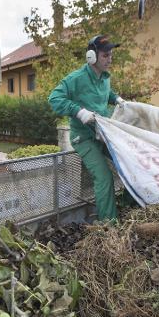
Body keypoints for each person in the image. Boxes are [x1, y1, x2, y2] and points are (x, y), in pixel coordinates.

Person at [48, 35, 126, 221]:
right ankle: (108, 225)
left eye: (111, 55)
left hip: (103, 134)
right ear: (92, 56)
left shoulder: (105, 78)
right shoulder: (76, 78)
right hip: (83, 138)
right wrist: (78, 111)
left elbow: (105, 93)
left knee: (127, 164)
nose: (110, 59)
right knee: (104, 177)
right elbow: (54, 99)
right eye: (106, 55)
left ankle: (129, 207)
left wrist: (116, 99)